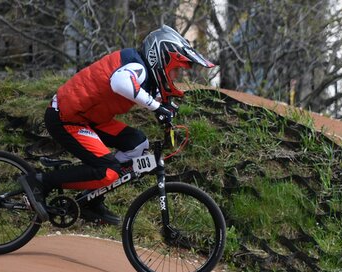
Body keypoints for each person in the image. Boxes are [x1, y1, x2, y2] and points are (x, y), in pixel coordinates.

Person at [18, 25, 214, 225]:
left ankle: (91, 198)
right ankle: (41, 182)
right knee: (108, 171)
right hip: (66, 117)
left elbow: (152, 97)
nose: (175, 77)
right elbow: (120, 82)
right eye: (175, 71)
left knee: (137, 144)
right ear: (161, 59)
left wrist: (165, 111)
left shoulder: (144, 74)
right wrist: (156, 107)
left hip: (89, 118)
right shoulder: (136, 66)